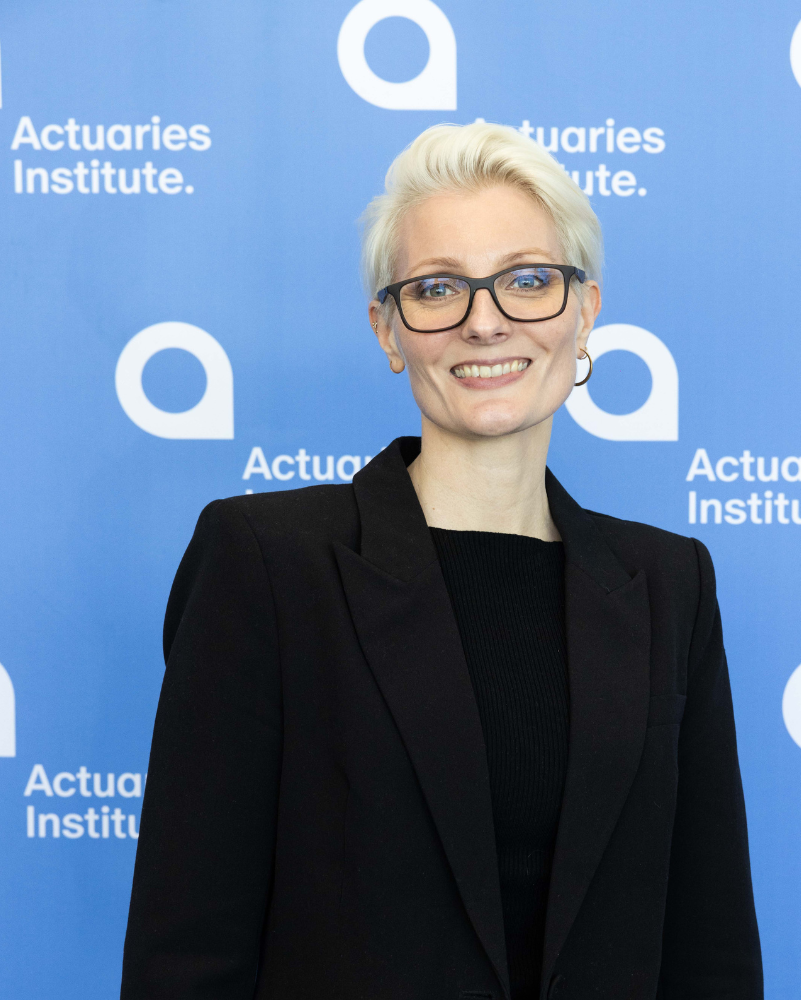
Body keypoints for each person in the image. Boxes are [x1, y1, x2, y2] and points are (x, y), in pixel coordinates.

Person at [120, 122, 763, 1000]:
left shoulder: (669, 584)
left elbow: (710, 946)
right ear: (390, 331)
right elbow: (185, 951)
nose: (485, 320)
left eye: (528, 279)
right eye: (436, 289)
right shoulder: (267, 567)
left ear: (585, 311)